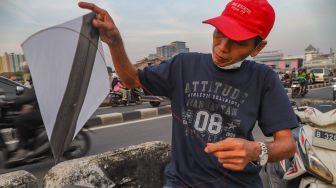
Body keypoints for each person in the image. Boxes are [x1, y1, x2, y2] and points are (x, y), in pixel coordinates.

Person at [79, 0, 298, 187]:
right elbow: (131, 80)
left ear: (257, 48)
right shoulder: (184, 65)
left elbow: (287, 145)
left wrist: (256, 150)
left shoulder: (263, 78)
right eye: (219, 34)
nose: (222, 47)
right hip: (181, 181)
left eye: (237, 42)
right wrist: (115, 42)